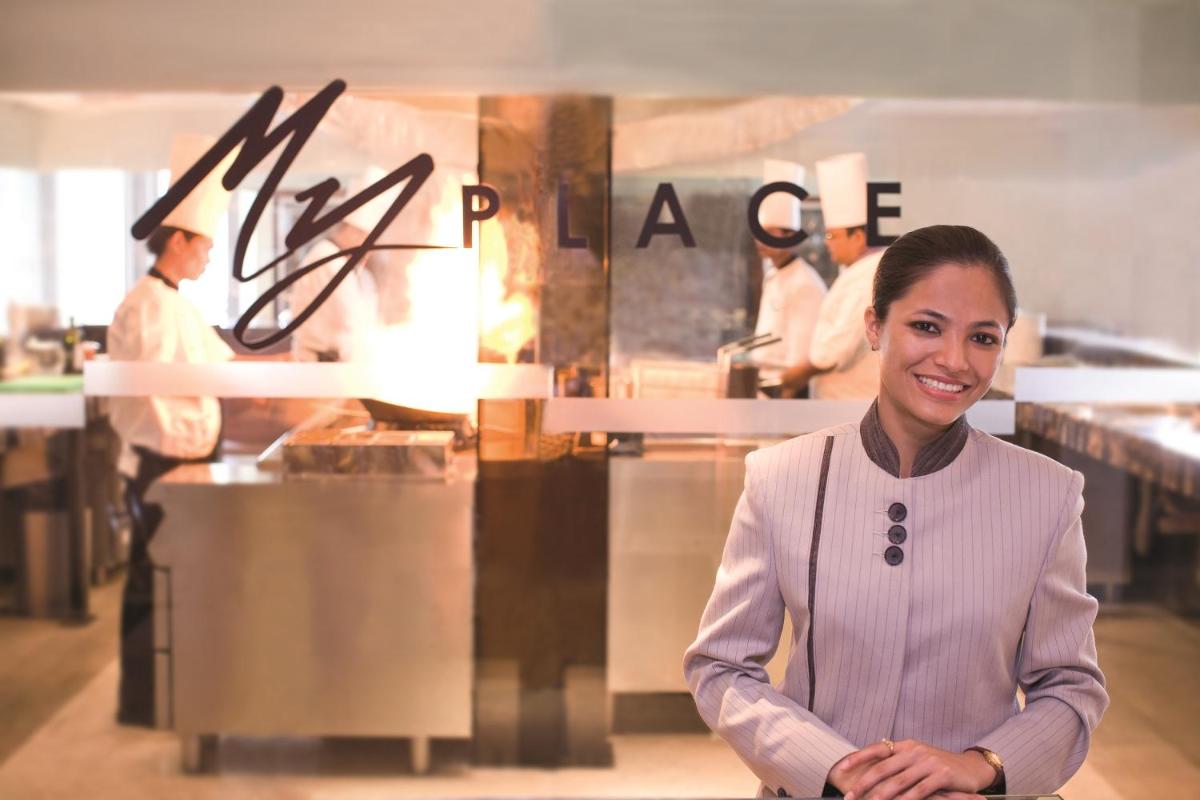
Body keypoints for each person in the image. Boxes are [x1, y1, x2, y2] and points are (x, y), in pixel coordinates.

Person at [684, 225, 1108, 799]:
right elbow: (722, 668)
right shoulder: (781, 477)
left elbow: (1069, 685)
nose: (954, 360)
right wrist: (833, 766)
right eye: (927, 327)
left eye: (983, 338)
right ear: (875, 326)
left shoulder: (1047, 494)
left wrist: (983, 766)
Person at [108, 134, 236, 726]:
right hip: (161, 464)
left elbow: (224, 368)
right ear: (178, 239)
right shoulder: (146, 305)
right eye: (205, 245)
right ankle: (143, 702)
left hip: (188, 462)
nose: (209, 256)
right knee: (150, 580)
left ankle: (177, 690)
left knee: (179, 579)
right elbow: (164, 380)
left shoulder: (178, 302)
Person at [780, 152, 883, 399]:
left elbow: (835, 350)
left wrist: (795, 376)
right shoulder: (859, 271)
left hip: (852, 404)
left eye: (832, 236)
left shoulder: (868, 276)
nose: (828, 244)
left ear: (857, 237)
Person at [289, 167, 384, 362]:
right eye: (368, 240)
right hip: (318, 366)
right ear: (354, 231)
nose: (370, 250)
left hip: (338, 367)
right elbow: (351, 321)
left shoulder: (354, 270)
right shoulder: (326, 258)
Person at [750, 160, 827, 396]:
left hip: (787, 388)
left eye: (769, 234)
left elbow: (800, 356)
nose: (760, 241)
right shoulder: (773, 275)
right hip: (764, 383)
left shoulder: (805, 283)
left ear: (790, 237)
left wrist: (786, 394)